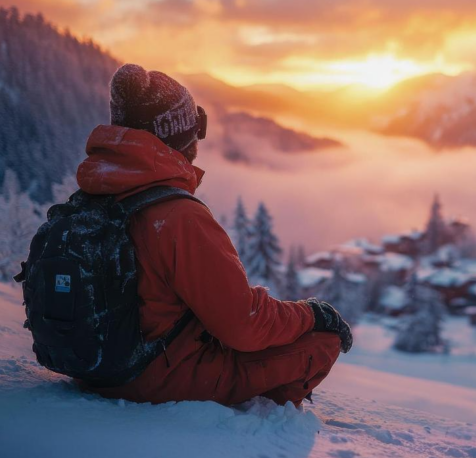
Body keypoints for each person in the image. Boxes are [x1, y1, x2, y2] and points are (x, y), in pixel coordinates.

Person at [76, 64, 352, 407]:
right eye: (196, 128)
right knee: (322, 341)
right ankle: (260, 412)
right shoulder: (179, 217)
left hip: (97, 367)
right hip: (151, 377)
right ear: (180, 135)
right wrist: (312, 315)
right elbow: (244, 324)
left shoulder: (94, 197)